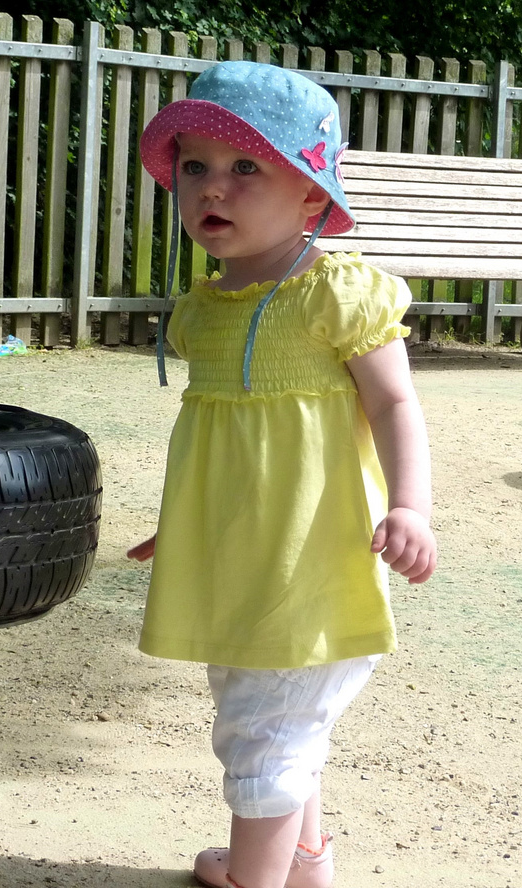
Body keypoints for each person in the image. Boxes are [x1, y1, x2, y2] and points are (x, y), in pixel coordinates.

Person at [125, 61, 437, 888]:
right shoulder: (204, 307)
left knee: (264, 735)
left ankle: (253, 875)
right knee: (279, 722)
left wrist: (412, 506)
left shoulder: (339, 293)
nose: (212, 189)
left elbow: (396, 405)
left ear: (309, 193)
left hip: (313, 563)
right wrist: (190, 521)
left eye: (245, 168)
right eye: (195, 167)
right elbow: (227, 444)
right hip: (242, 558)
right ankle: (301, 862)